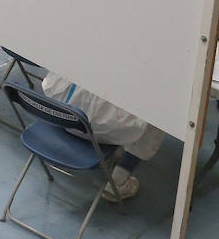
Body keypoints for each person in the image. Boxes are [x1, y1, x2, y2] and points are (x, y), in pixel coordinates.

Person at [40, 70, 163, 200]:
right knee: (159, 108)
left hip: (59, 112)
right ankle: (118, 182)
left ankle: (113, 152)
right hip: (102, 129)